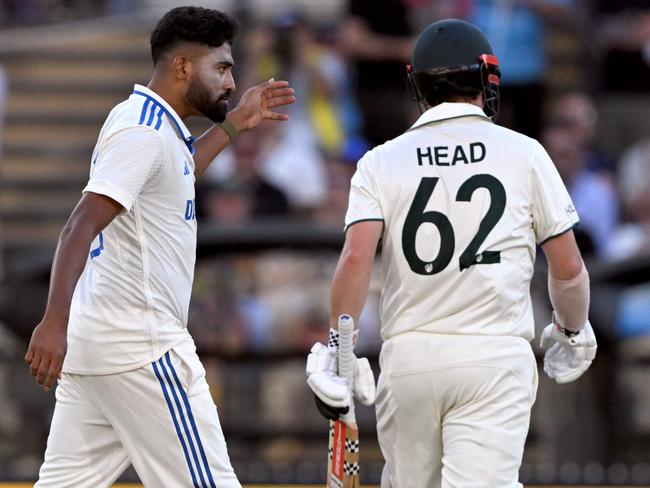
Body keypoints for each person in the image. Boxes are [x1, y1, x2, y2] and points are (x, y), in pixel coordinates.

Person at [306, 19, 597, 487]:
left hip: (408, 360)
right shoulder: (524, 152)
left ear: (417, 86)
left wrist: (340, 349)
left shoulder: (380, 159)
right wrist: (570, 328)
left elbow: (356, 260)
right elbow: (567, 266)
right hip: (493, 356)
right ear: (486, 80)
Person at [23, 6, 294, 487]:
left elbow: (180, 171)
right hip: (141, 346)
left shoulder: (152, 122)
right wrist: (53, 320)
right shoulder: (144, 131)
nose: (231, 83)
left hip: (100, 346)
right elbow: (79, 224)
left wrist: (235, 126)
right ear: (183, 67)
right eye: (222, 68)